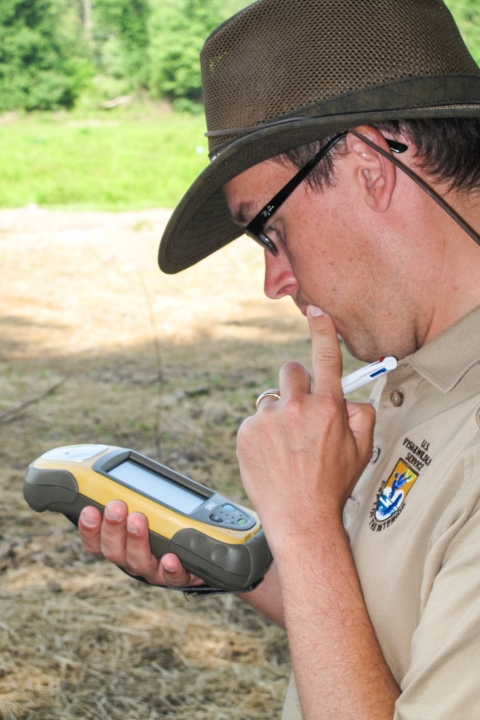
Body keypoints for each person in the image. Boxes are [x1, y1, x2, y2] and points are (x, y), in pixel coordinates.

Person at [78, 1, 480, 718]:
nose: (275, 282)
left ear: (369, 164)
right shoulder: (421, 375)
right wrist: (234, 561)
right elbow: (391, 630)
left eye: (268, 230)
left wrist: (302, 525)